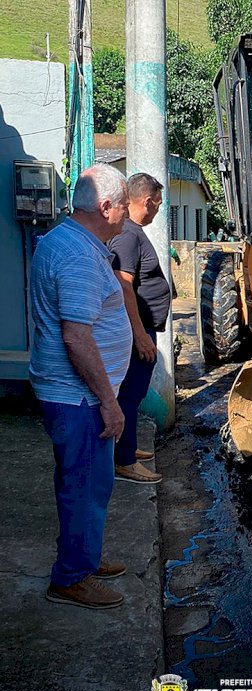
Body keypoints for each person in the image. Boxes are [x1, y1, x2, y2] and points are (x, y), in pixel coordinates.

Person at [29, 163, 132, 610]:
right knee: (83, 484)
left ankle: (83, 557)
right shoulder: (76, 254)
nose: (128, 214)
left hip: (78, 395)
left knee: (92, 483)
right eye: (125, 204)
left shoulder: (73, 243)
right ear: (106, 206)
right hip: (80, 398)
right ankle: (71, 577)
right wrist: (110, 403)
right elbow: (77, 336)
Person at [109, 173, 170, 484]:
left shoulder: (132, 232)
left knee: (133, 393)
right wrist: (140, 335)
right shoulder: (128, 236)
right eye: (157, 205)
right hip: (137, 332)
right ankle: (124, 460)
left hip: (143, 328)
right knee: (130, 395)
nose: (157, 211)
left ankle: (127, 447)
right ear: (146, 201)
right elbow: (123, 285)